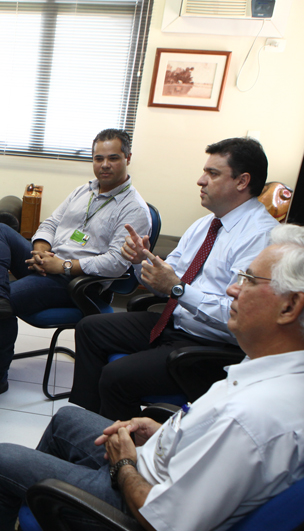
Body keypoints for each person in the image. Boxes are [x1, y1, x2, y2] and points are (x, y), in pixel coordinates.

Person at [0, 223, 304, 531]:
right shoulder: (276, 376)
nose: (232, 288)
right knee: (65, 420)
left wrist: (123, 464)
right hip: (160, 476)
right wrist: (166, 431)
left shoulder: (251, 419)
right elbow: (216, 452)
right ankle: (26, 518)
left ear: (290, 306)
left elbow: (165, 529)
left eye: (250, 280)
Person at [70, 137, 280, 420]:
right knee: (89, 328)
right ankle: (87, 424)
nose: (200, 180)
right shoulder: (207, 223)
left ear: (242, 181)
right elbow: (166, 280)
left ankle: (129, 454)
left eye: (213, 174)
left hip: (210, 345)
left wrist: (178, 288)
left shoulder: (261, 238)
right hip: (175, 323)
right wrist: (141, 261)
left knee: (115, 377)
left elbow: (238, 318)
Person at [0, 128, 151, 402]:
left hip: (78, 283)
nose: (104, 165)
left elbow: (115, 263)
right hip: (50, 263)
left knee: (7, 301)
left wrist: (62, 266)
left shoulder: (134, 209)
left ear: (128, 158)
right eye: (98, 158)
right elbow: (50, 224)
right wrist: (40, 250)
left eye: (113, 158)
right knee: (0, 231)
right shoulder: (83, 190)